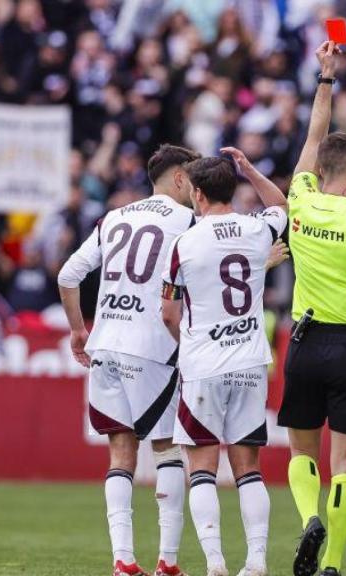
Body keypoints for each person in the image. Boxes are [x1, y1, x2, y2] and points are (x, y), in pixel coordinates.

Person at [57, 143, 201, 576]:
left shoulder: (114, 218)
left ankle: (123, 560)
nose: (197, 190)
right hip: (153, 348)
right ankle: (168, 561)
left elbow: (67, 275)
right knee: (167, 450)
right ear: (179, 178)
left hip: (106, 342)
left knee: (120, 453)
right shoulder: (190, 221)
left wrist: (79, 330)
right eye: (192, 180)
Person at [277, 40, 346, 576]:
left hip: (304, 339)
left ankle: (307, 518)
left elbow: (314, 134)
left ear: (320, 170)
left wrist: (325, 78)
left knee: (301, 452)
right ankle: (335, 562)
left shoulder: (298, 196)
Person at [160, 152, 289, 576]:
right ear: (233, 189)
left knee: (200, 468)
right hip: (250, 362)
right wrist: (251, 169)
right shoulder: (256, 230)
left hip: (203, 365)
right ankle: (256, 562)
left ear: (196, 193)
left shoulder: (185, 243)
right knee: (248, 468)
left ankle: (215, 561)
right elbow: (282, 207)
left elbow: (168, 312)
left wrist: (189, 344)